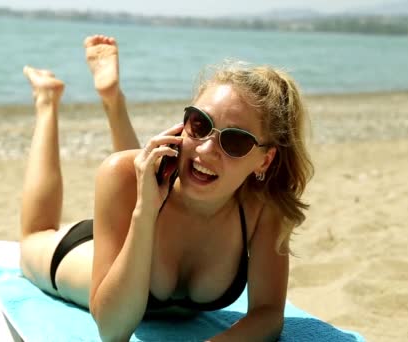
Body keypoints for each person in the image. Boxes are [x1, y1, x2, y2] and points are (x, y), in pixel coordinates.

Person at [19, 34, 313, 341]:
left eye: (234, 141)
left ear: (264, 161)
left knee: (133, 172)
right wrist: (144, 212)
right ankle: (46, 101)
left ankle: (110, 98)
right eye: (199, 124)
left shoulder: (263, 210)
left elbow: (268, 314)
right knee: (34, 236)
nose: (205, 150)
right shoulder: (120, 174)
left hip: (138, 220)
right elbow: (112, 329)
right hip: (91, 252)